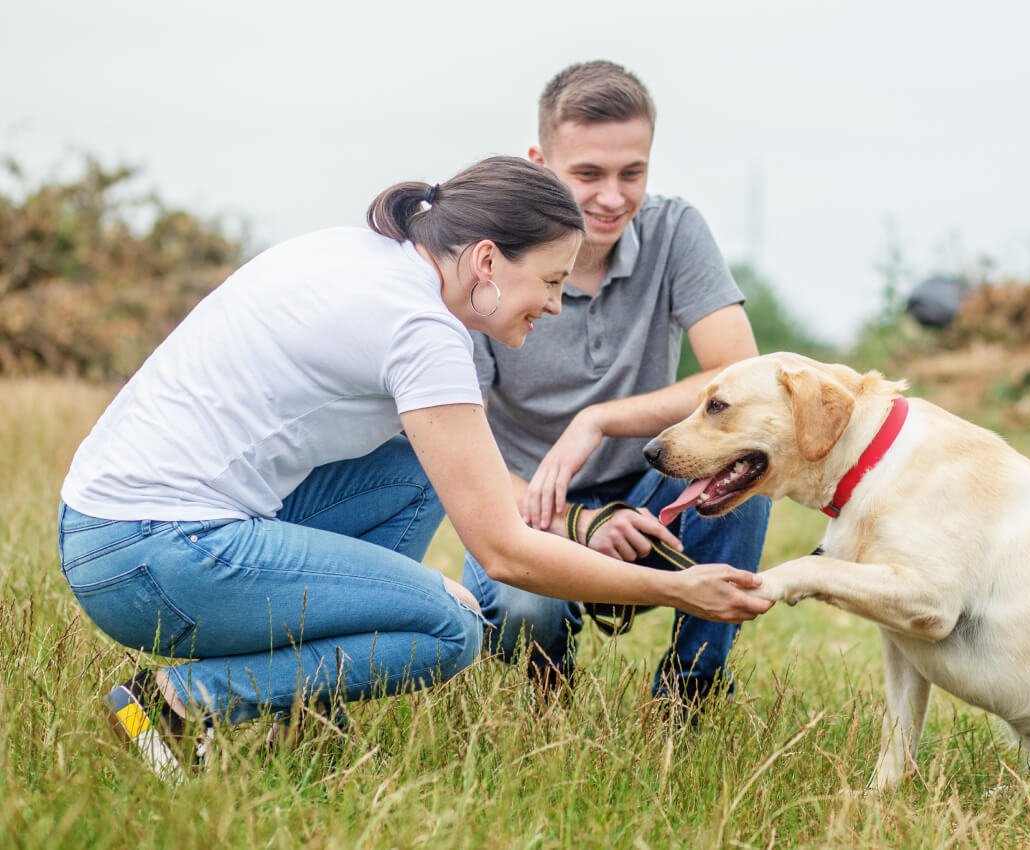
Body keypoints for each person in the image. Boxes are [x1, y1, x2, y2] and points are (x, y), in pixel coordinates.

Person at [58, 156, 771, 778]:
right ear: (487, 261)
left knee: (414, 464)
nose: (556, 304)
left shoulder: (368, 255)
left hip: (112, 532)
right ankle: (180, 705)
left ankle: (305, 713)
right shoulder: (423, 330)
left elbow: (469, 482)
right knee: (448, 629)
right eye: (551, 281)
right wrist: (679, 592)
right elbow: (505, 553)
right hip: (157, 559)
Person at [462, 61, 772, 710]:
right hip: (532, 509)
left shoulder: (673, 230)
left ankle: (690, 693)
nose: (613, 197)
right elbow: (468, 460)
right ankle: (543, 694)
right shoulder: (489, 265)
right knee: (523, 609)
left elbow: (740, 377)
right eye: (587, 174)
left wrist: (597, 419)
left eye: (632, 173)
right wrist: (580, 520)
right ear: (540, 162)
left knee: (746, 468)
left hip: (651, 487)